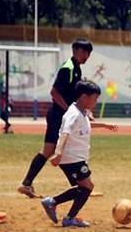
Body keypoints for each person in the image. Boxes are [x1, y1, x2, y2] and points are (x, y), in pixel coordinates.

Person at [18, 39, 93, 198]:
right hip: (59, 116)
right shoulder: (68, 68)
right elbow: (54, 92)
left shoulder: (76, 68)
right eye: (82, 52)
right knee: (67, 149)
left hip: (57, 115)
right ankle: (81, 184)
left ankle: (26, 184)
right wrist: (69, 111)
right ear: (74, 51)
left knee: (47, 151)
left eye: (88, 53)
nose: (86, 55)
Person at [41, 80, 117, 227]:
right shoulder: (73, 114)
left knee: (84, 188)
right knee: (87, 186)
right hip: (71, 158)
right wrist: (58, 153)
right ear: (84, 97)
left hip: (76, 158)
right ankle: (67, 216)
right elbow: (65, 133)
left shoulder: (81, 113)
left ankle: (53, 203)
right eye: (94, 98)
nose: (95, 102)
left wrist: (105, 125)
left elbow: (86, 124)